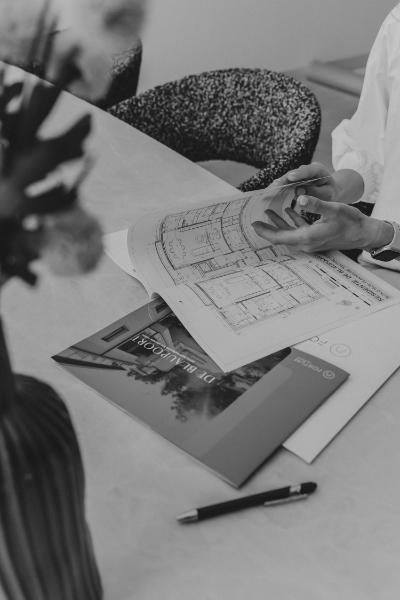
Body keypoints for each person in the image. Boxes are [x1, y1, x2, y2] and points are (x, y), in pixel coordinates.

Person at [252, 4, 400, 270]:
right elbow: (377, 151)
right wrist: (335, 189)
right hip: (378, 261)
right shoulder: (398, 23)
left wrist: (373, 234)